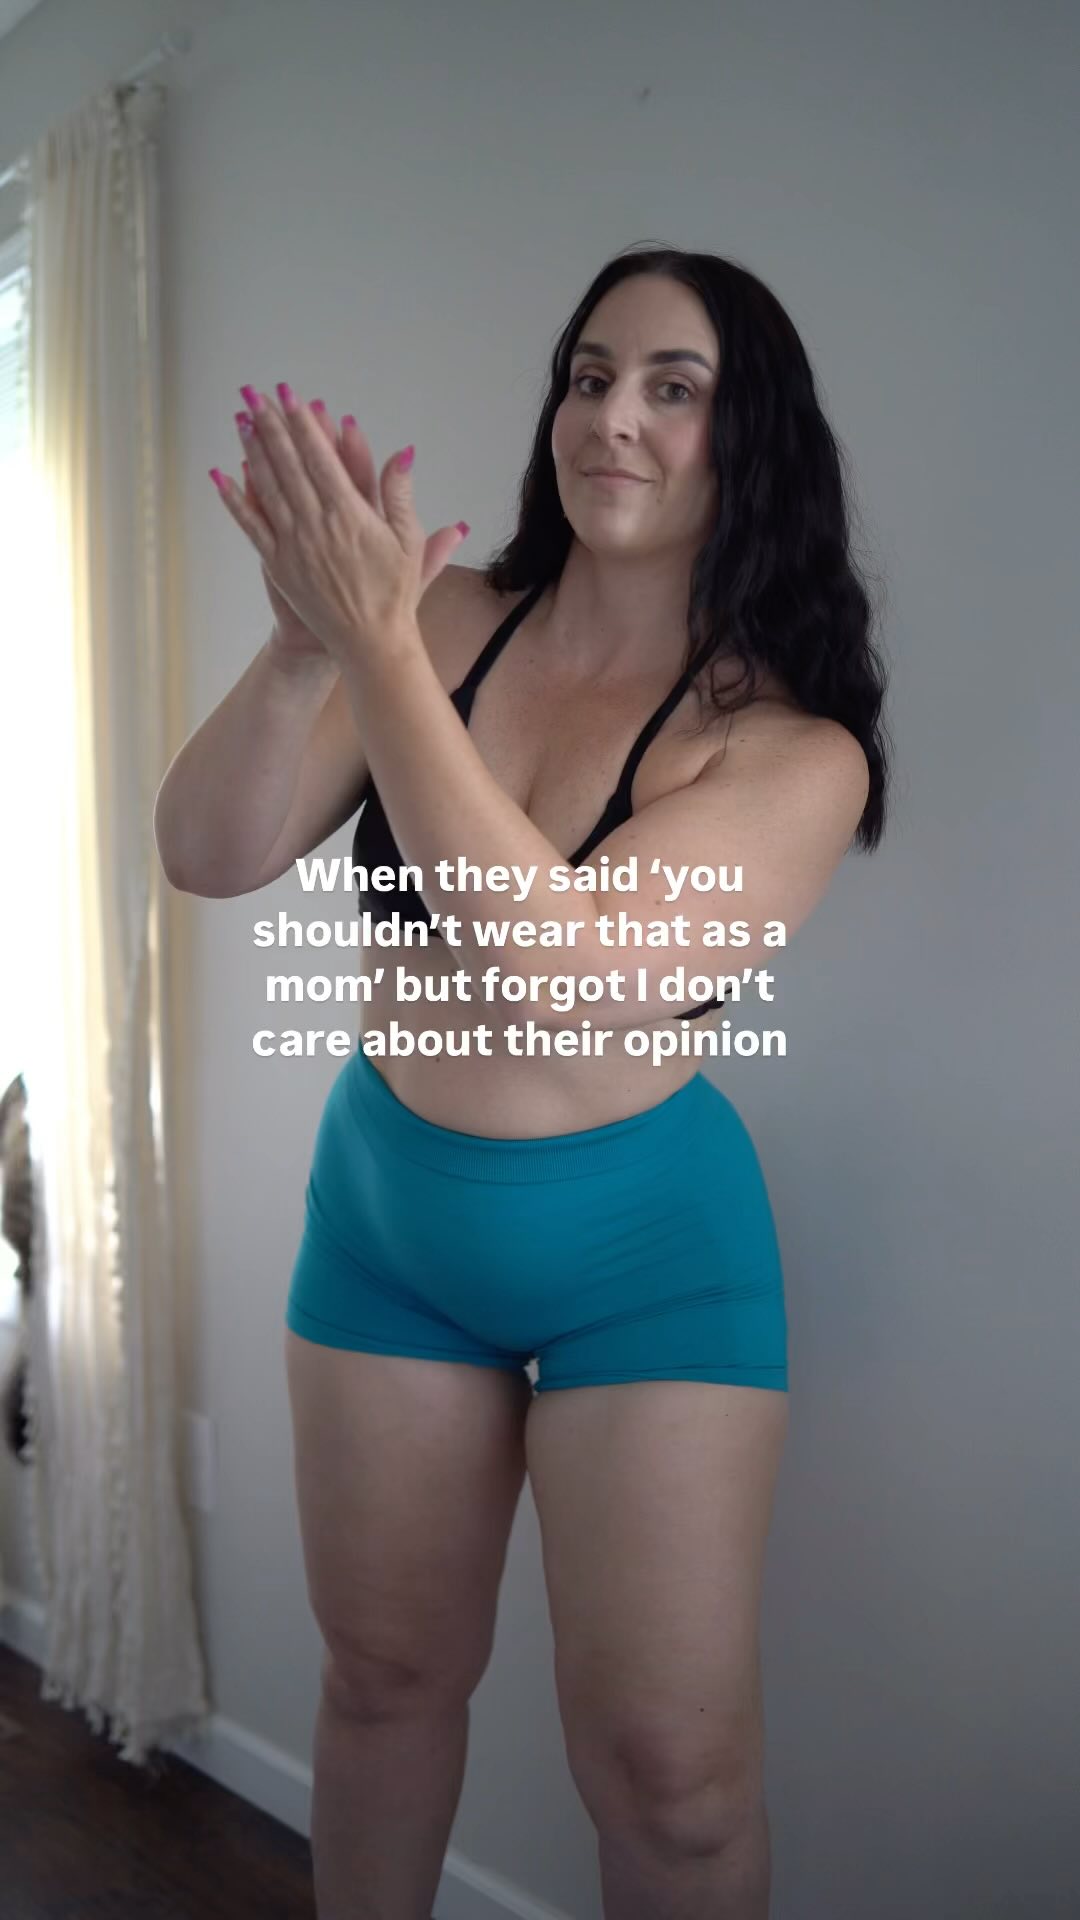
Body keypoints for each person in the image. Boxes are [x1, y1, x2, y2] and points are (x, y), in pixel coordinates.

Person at [155, 244, 890, 1920]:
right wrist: (306, 650)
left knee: (674, 1787)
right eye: (588, 374)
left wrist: (380, 653)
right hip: (388, 1222)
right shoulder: (443, 623)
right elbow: (207, 850)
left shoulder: (791, 753)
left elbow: (561, 982)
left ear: (749, 440)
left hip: (647, 1255)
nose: (613, 416)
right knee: (382, 1680)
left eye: (673, 388)